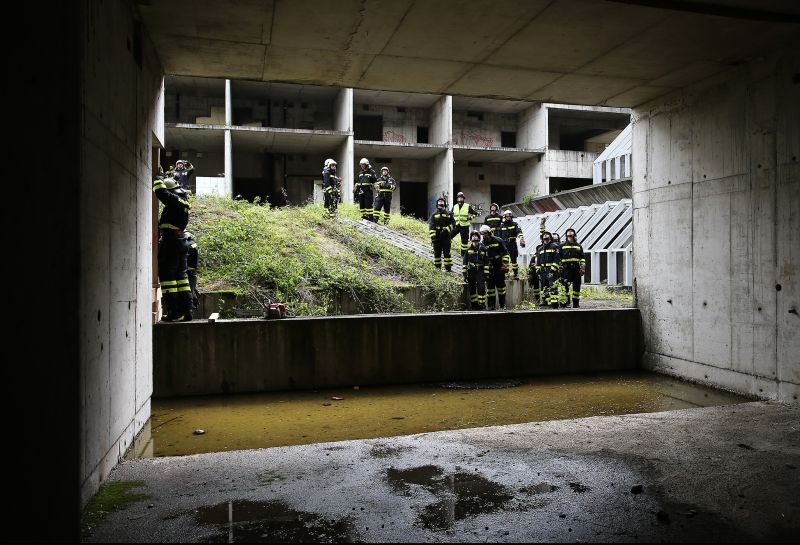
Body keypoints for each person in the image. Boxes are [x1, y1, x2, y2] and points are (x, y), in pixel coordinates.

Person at [152, 167, 193, 322]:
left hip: (171, 242)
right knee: (181, 277)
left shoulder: (175, 200)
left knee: (168, 277)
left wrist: (158, 179)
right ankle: (186, 311)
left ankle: (174, 312)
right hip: (180, 241)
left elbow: (161, 193)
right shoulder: (183, 201)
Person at [479, 224, 510, 310]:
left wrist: (505, 264)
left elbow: (505, 254)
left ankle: (502, 305)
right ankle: (491, 306)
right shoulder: (482, 244)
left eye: (485, 233)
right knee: (490, 289)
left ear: (489, 232)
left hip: (499, 267)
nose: (484, 235)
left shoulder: (498, 241)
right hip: (489, 269)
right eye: (482, 233)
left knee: (501, 288)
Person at [534, 229, 561, 309]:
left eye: (547, 238)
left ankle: (554, 303)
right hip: (543, 271)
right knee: (544, 286)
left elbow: (557, 259)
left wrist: (552, 270)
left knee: (552, 286)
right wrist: (538, 270)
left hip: (551, 270)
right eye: (544, 238)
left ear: (550, 238)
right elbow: (538, 261)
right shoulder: (540, 249)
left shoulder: (555, 247)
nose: (545, 239)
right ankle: (545, 301)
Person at [559, 228, 586, 308]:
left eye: (571, 233)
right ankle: (564, 303)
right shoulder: (562, 245)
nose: (570, 235)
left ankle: (576, 304)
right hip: (565, 269)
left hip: (576, 269)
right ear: (566, 235)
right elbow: (558, 258)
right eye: (568, 234)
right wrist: (559, 268)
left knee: (576, 287)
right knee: (564, 286)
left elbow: (582, 258)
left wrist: (583, 268)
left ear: (574, 235)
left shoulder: (578, 246)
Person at [463, 230, 487, 310]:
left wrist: (486, 274)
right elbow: (465, 263)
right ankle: (474, 305)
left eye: (476, 236)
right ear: (471, 238)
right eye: (473, 236)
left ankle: (482, 304)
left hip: (480, 271)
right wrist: (464, 275)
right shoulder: (468, 250)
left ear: (479, 238)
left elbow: (486, 262)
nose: (474, 237)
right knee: (472, 288)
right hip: (471, 271)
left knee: (481, 288)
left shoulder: (483, 249)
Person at [428, 197, 454, 271]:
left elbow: (453, 224)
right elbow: (431, 227)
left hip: (446, 237)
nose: (440, 204)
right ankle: (437, 268)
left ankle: (448, 269)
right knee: (437, 254)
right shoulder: (433, 215)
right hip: (437, 237)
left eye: (442, 203)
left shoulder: (449, 214)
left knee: (447, 254)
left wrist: (446, 230)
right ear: (437, 205)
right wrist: (433, 238)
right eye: (439, 203)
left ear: (444, 205)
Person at [451, 192, 479, 258]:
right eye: (458, 198)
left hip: (465, 226)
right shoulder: (454, 206)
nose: (460, 199)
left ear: (463, 199)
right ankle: (445, 248)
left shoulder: (467, 206)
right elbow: (451, 215)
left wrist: (470, 218)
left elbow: (475, 214)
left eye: (461, 198)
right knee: (449, 236)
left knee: (464, 242)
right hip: (456, 225)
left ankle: (463, 255)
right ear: (457, 199)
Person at [498, 210, 525, 279]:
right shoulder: (502, 225)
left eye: (510, 216)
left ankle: (516, 273)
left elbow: (519, 232)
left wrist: (521, 239)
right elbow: (499, 236)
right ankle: (505, 274)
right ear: (505, 217)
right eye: (507, 216)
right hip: (504, 245)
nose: (509, 217)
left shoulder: (515, 224)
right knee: (505, 260)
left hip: (512, 244)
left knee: (514, 260)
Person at [528, 217, 546, 303]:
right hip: (537, 271)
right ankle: (538, 299)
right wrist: (542, 225)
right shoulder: (536, 254)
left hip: (545, 270)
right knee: (536, 285)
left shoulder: (552, 248)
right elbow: (542, 235)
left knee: (545, 285)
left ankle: (545, 300)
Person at [185, 231, 200, 311]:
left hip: (189, 273)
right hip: (191, 273)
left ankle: (190, 309)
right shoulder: (193, 244)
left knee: (188, 293)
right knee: (190, 291)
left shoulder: (190, 245)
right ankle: (193, 304)